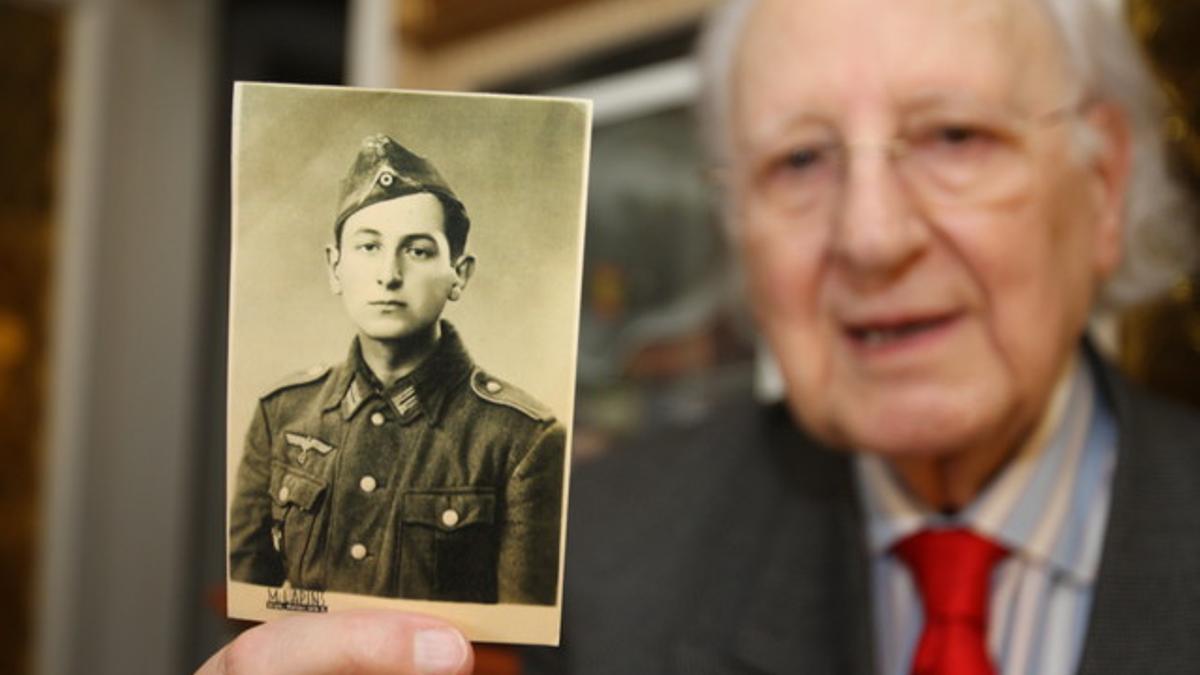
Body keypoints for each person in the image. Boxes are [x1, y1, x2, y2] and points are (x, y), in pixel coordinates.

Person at [201, 0, 1200, 673]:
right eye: (799, 161)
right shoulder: (597, 573)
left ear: (1103, 186)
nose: (870, 235)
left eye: (955, 138)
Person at [228, 134, 565, 606]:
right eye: (368, 247)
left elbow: (522, 644)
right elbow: (246, 604)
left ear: (459, 274)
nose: (389, 274)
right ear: (335, 267)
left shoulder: (520, 441)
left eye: (418, 251)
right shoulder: (282, 413)